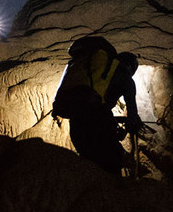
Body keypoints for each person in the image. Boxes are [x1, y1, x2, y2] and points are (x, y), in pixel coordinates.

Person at [52, 36, 142, 174]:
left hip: (76, 121)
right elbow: (132, 116)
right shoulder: (125, 78)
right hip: (98, 121)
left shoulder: (98, 71)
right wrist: (132, 125)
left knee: (89, 166)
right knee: (110, 170)